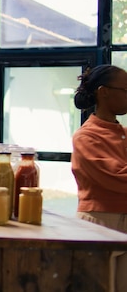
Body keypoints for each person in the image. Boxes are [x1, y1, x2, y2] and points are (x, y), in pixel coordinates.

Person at [71, 64, 127, 291]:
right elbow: (115, 177)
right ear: (103, 92)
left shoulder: (123, 133)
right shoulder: (86, 136)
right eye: (125, 90)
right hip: (99, 221)